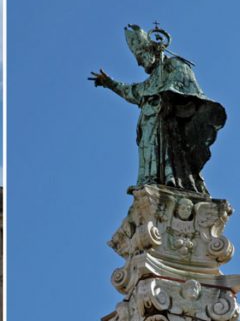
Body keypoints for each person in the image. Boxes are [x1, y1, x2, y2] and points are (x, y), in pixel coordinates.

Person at [90, 24, 226, 194]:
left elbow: (187, 90)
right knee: (149, 151)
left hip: (167, 122)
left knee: (169, 152)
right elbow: (132, 91)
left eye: (140, 55)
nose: (139, 63)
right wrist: (109, 83)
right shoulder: (151, 80)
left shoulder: (176, 65)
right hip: (149, 123)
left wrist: (169, 97)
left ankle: (171, 181)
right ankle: (150, 180)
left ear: (152, 50)